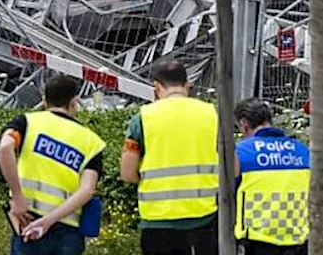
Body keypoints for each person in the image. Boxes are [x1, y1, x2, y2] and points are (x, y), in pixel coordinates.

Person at [119, 59, 218, 255]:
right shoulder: (211, 114)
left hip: (157, 221)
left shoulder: (143, 118)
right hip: (203, 218)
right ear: (188, 84)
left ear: (156, 87)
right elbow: (233, 168)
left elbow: (127, 173)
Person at [0, 74, 105, 255]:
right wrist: (48, 221)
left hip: (28, 221)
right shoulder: (92, 142)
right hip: (67, 229)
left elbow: (5, 147)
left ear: (44, 100)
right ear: (74, 102)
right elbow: (87, 190)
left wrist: (17, 196)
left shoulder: (26, 122)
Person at [232, 99, 309, 255]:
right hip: (298, 240)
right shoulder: (302, 151)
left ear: (244, 123)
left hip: (257, 241)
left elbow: (227, 193)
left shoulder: (241, 152)